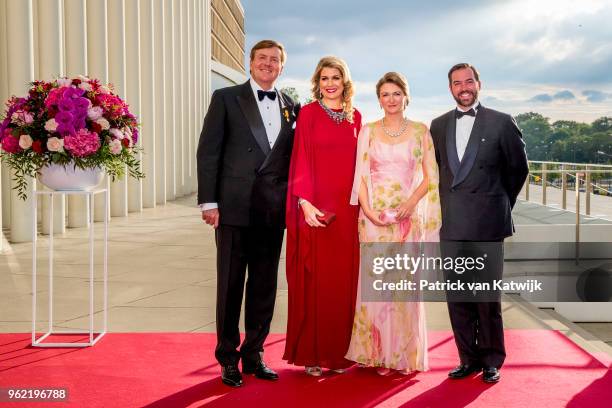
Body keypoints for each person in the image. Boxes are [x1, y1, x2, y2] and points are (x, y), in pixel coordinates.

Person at [196, 39, 300, 387]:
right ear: (250, 62)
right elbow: (209, 152)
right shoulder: (226, 98)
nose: (268, 64)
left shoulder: (292, 105)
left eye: (275, 60)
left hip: (272, 212)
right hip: (234, 209)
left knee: (263, 286)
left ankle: (254, 354)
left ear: (282, 67)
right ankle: (228, 357)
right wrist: (209, 202)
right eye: (262, 58)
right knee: (229, 286)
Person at [429, 63, 529, 383]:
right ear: (450, 89)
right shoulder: (438, 125)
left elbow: (518, 170)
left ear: (479, 83)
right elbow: (435, 172)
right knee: (458, 296)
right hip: (452, 222)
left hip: (487, 222)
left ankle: (491, 359)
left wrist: (498, 204)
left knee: (486, 297)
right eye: (457, 83)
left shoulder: (502, 122)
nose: (463, 87)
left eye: (468, 81)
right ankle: (467, 358)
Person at [344, 72, 441, 375]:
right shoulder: (368, 130)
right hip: (373, 219)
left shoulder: (420, 131)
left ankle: (400, 354)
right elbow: (359, 176)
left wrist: (410, 204)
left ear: (406, 96)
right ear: (379, 99)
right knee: (376, 288)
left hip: (406, 219)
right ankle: (375, 353)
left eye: (396, 93)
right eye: (385, 94)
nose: (391, 99)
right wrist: (369, 210)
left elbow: (430, 177)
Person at [284, 56, 362, 376]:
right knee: (316, 284)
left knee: (344, 284)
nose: (330, 83)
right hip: (316, 211)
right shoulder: (308, 114)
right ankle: (313, 354)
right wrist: (304, 203)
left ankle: (340, 354)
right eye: (325, 78)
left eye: (336, 77)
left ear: (345, 82)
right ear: (318, 83)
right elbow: (299, 155)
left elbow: (363, 166)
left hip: (348, 212)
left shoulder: (356, 117)